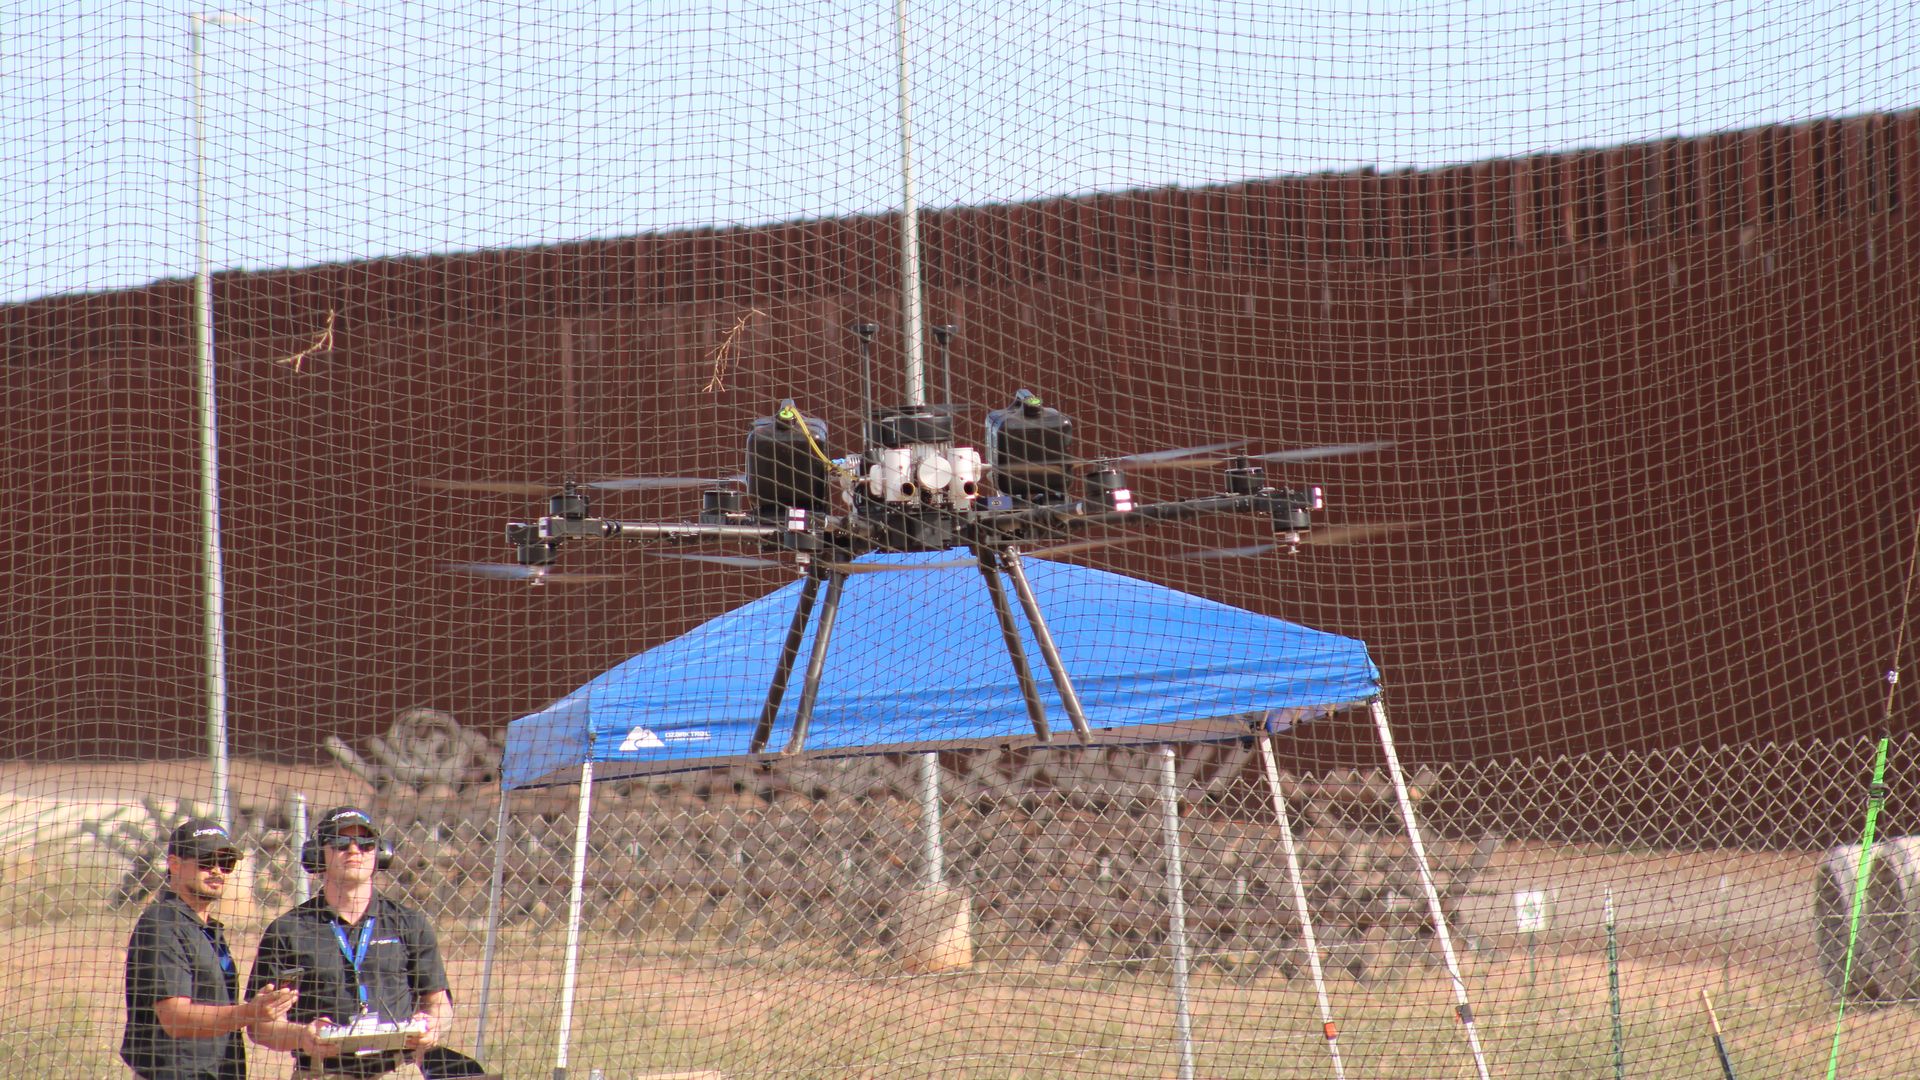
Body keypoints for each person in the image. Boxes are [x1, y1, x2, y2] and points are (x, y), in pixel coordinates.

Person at [245, 805, 493, 1079]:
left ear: (380, 853)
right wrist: (303, 1035)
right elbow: (260, 1027)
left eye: (365, 843)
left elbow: (438, 1002)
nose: (354, 850)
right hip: (323, 1071)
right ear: (317, 854)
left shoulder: (408, 923)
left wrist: (433, 1025)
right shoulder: (287, 931)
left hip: (399, 1068)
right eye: (341, 843)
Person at [121, 817, 299, 1080]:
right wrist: (250, 1013)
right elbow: (174, 1017)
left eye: (226, 864)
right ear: (174, 864)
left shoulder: (206, 928)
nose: (217, 871)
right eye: (206, 861)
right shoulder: (162, 924)